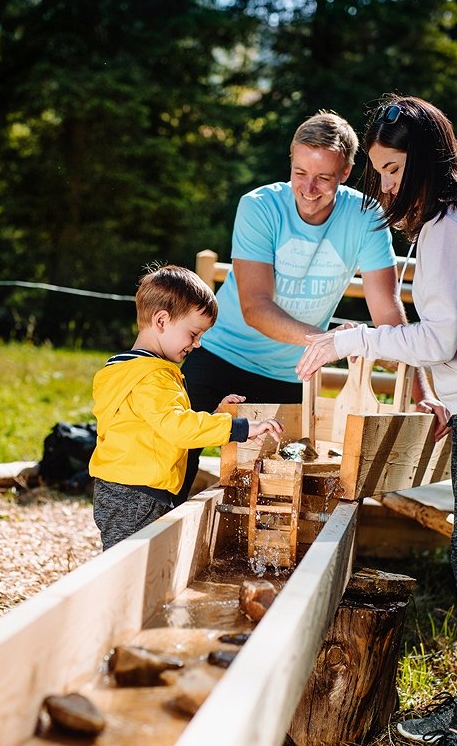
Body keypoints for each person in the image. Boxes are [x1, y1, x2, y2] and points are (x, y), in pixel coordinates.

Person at [296, 95, 457, 746]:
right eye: (377, 170)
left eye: (390, 170)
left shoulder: (444, 229)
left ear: (424, 163)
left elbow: (439, 338)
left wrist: (353, 341)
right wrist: (442, 395)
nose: (382, 185)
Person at [177, 109, 437, 504]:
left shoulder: (366, 217)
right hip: (220, 355)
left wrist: (423, 392)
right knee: (176, 461)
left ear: (347, 172)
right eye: (300, 173)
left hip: (291, 372)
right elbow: (256, 307)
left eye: (323, 178)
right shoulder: (259, 206)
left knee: (282, 491)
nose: (309, 188)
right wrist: (332, 342)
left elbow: (387, 312)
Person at [89, 264, 284, 550]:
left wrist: (214, 417)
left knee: (134, 565)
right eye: (193, 334)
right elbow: (178, 429)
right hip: (136, 496)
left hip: (125, 490)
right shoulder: (152, 376)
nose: (197, 344)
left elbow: (163, 425)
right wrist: (239, 427)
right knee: (129, 570)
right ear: (161, 321)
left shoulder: (127, 369)